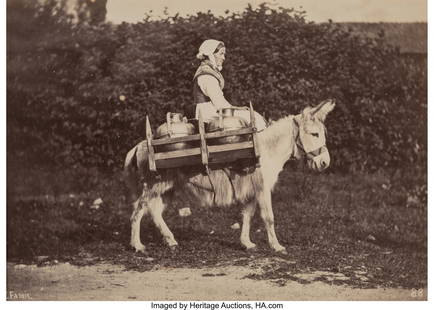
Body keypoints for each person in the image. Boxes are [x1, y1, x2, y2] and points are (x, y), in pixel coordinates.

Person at [190, 39, 266, 130]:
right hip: (208, 114)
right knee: (253, 117)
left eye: (224, 54)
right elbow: (219, 104)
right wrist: (238, 109)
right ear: (210, 55)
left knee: (251, 115)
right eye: (221, 54)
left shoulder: (207, 71)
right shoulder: (206, 75)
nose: (223, 58)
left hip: (211, 111)